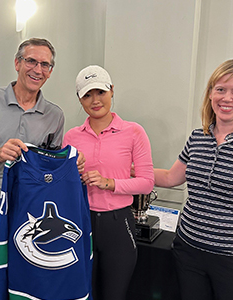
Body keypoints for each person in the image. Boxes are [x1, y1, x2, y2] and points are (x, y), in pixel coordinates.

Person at [0, 38, 84, 300]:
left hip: (28, 215)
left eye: (45, 65)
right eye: (31, 61)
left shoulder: (55, 115)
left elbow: (50, 173)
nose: (37, 69)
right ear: (17, 63)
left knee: (25, 289)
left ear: (50, 72)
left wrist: (73, 164)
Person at [154, 59, 233, 300]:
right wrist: (126, 170)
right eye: (220, 89)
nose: (227, 98)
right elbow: (171, 177)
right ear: (211, 94)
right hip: (188, 250)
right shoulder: (198, 137)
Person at [63, 65, 155, 300]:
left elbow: (146, 183)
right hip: (82, 222)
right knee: (81, 294)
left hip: (118, 224)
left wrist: (110, 183)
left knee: (114, 295)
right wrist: (72, 175)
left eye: (100, 92)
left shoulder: (133, 132)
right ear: (79, 99)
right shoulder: (72, 136)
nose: (95, 100)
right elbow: (64, 185)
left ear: (112, 91)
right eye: (87, 95)